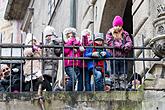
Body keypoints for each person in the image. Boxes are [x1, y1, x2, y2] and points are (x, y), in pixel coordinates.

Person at [106, 15, 133, 89]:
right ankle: (115, 84)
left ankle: (123, 84)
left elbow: (129, 42)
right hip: (114, 55)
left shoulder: (125, 33)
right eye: (116, 25)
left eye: (119, 25)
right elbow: (110, 42)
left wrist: (126, 47)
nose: (118, 27)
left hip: (123, 55)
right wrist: (121, 46)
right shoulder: (110, 33)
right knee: (114, 70)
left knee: (123, 70)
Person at [43, 26, 62, 91]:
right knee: (45, 79)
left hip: (53, 64)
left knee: (51, 79)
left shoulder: (54, 42)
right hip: (46, 65)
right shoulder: (44, 44)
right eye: (46, 36)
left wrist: (57, 44)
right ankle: (51, 91)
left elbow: (58, 51)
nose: (48, 37)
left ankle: (51, 91)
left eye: (49, 35)